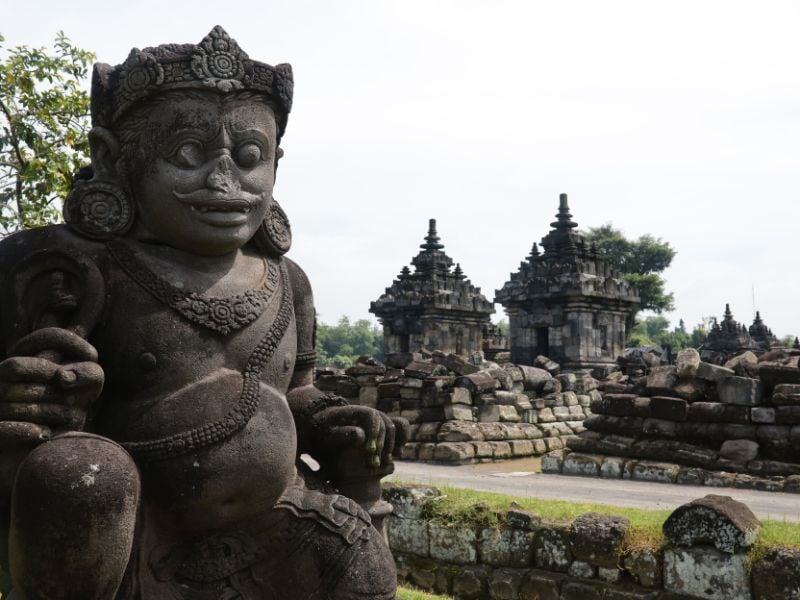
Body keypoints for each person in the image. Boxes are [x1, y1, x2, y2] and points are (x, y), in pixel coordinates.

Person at [0, 26, 403, 599]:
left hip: (271, 516)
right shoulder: (62, 266)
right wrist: (26, 399)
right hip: (131, 519)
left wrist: (333, 417)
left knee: (363, 567)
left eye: (249, 158)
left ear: (276, 165)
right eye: (188, 155)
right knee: (79, 479)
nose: (223, 183)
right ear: (113, 159)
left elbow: (299, 390)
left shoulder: (289, 281)